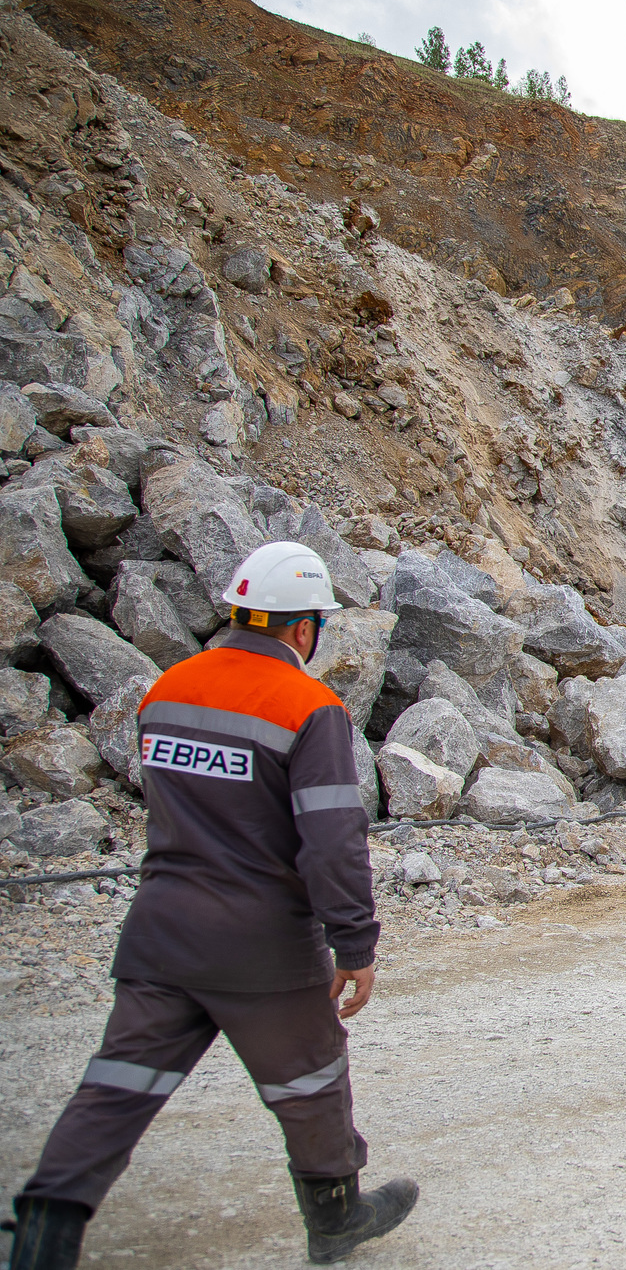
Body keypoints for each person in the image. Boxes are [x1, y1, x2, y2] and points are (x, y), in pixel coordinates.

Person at [5, 543, 416, 1269]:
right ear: (301, 630)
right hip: (259, 945)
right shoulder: (308, 708)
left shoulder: (166, 689)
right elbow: (331, 841)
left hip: (160, 931)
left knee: (118, 1082)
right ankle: (336, 1217)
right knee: (311, 1076)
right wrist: (355, 944)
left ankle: (44, 1229)